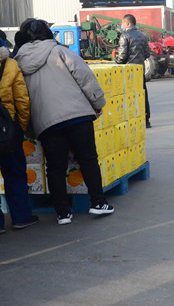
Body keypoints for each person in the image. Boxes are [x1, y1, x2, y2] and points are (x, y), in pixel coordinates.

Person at [15, 19, 115, 224]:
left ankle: (62, 213)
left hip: (46, 123)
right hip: (77, 115)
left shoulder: (18, 62)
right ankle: (98, 203)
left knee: (55, 167)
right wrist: (98, 103)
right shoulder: (60, 51)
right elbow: (85, 78)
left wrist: (30, 128)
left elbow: (21, 97)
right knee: (88, 159)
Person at [0, 44, 39, 232]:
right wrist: (20, 127)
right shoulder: (10, 65)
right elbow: (22, 101)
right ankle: (21, 217)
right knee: (15, 173)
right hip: (7, 128)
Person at [115, 14, 152, 128]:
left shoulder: (125, 36)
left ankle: (131, 119)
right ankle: (146, 120)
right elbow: (147, 53)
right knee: (143, 93)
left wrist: (116, 60)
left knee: (129, 96)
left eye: (122, 23)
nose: (122, 25)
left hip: (129, 70)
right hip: (140, 69)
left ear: (127, 23)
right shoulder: (142, 35)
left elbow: (122, 57)